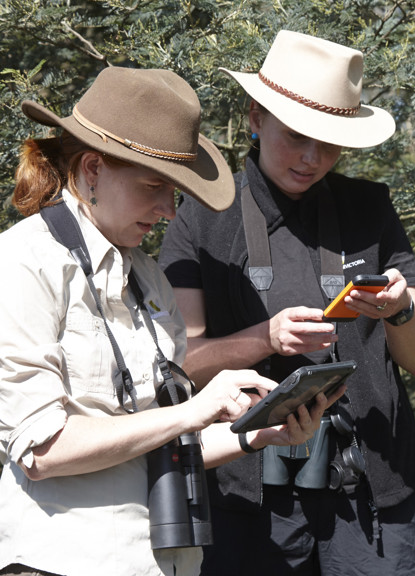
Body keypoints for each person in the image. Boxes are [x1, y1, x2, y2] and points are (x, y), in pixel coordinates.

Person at [0, 66, 337, 576]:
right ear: (93, 169)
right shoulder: (24, 263)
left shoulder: (149, 278)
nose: (169, 211)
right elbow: (42, 450)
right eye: (155, 186)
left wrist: (259, 433)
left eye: (175, 191)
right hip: (63, 562)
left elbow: (167, 443)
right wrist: (195, 409)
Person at [158, 30, 415, 575]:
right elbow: (180, 363)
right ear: (254, 118)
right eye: (296, 136)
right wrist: (264, 339)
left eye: (329, 143)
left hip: (371, 493)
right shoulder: (201, 217)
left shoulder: (370, 209)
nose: (312, 159)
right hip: (247, 503)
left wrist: (400, 312)